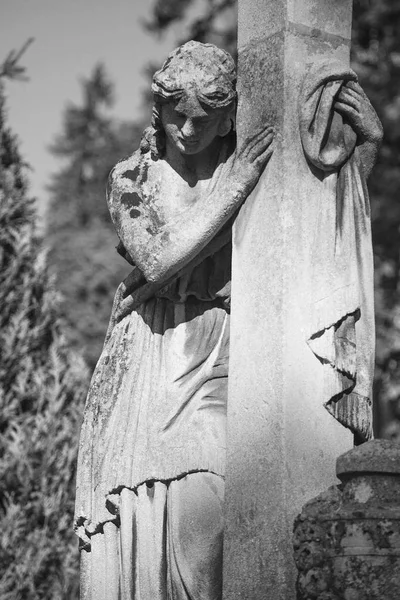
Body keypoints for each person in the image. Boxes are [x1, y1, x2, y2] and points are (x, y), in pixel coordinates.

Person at [74, 41, 381, 599]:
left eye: (203, 119)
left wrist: (362, 151)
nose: (186, 130)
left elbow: (316, 220)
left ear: (225, 122)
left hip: (228, 353)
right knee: (182, 508)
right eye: (175, 114)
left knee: (211, 503)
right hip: (155, 357)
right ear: (158, 109)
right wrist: (235, 184)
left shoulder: (254, 165)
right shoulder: (134, 180)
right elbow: (157, 258)